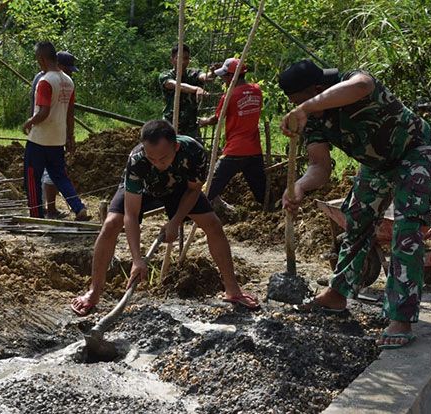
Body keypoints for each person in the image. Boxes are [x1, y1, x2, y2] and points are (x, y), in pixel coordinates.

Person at [278, 59, 431, 349]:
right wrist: (299, 187)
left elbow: (362, 86)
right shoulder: (313, 121)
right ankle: (338, 294)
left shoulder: (352, 81)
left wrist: (305, 107)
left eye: (298, 101)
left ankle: (400, 316)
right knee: (355, 219)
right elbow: (320, 167)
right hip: (377, 165)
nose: (296, 107)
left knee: (406, 230)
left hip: (414, 152)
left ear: (316, 90)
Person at [71, 120, 259, 316]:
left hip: (179, 189)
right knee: (110, 224)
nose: (158, 164)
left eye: (163, 158)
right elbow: (131, 214)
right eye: (152, 158)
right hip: (144, 188)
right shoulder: (138, 160)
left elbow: (194, 190)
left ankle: (232, 290)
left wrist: (175, 221)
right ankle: (93, 292)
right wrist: (137, 259)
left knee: (213, 224)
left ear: (175, 147)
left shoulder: (194, 152)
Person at [23, 42, 89, 221]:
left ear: (42, 59)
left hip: (39, 139)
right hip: (57, 139)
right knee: (60, 176)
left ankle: (36, 214)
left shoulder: (45, 81)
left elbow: (43, 112)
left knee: (31, 177)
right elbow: (70, 112)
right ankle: (78, 207)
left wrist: (29, 122)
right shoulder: (69, 81)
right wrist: (70, 136)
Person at [199, 57, 266, 208]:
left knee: (211, 185)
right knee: (262, 191)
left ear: (231, 76)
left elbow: (216, 118)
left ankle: (193, 212)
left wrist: (203, 121)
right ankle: (272, 210)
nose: (223, 79)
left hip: (235, 150)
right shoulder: (257, 90)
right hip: (254, 150)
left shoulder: (229, 96)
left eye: (224, 75)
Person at [159, 44, 213, 140]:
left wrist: (213, 73)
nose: (183, 62)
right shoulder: (165, 75)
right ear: (172, 59)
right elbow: (177, 85)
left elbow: (205, 77)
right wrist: (196, 89)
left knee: (196, 151)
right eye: (179, 58)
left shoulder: (192, 73)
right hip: (170, 124)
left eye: (186, 58)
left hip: (191, 125)